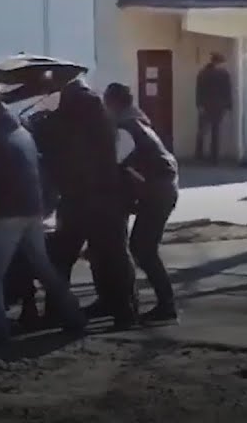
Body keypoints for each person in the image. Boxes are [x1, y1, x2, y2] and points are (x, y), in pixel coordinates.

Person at [0, 83, 85, 342]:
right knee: (44, 267)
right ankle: (74, 316)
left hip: (7, 212)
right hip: (32, 209)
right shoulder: (20, 132)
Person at [47, 75, 138, 330]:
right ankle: (123, 310)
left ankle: (59, 310)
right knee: (111, 256)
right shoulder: (99, 115)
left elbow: (66, 155)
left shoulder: (73, 119)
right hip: (104, 197)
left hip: (82, 197)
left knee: (64, 256)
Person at [104, 83, 180, 325]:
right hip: (161, 189)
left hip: (157, 192)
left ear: (112, 103)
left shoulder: (126, 128)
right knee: (141, 247)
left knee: (143, 248)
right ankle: (163, 304)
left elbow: (115, 161)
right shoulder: (137, 121)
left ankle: (167, 305)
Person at [195, 53, 233, 164]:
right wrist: (228, 105)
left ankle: (200, 155)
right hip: (218, 106)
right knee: (215, 131)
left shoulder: (203, 73)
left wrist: (199, 105)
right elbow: (227, 90)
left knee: (203, 130)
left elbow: (199, 91)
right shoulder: (223, 74)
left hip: (207, 105)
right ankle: (213, 157)